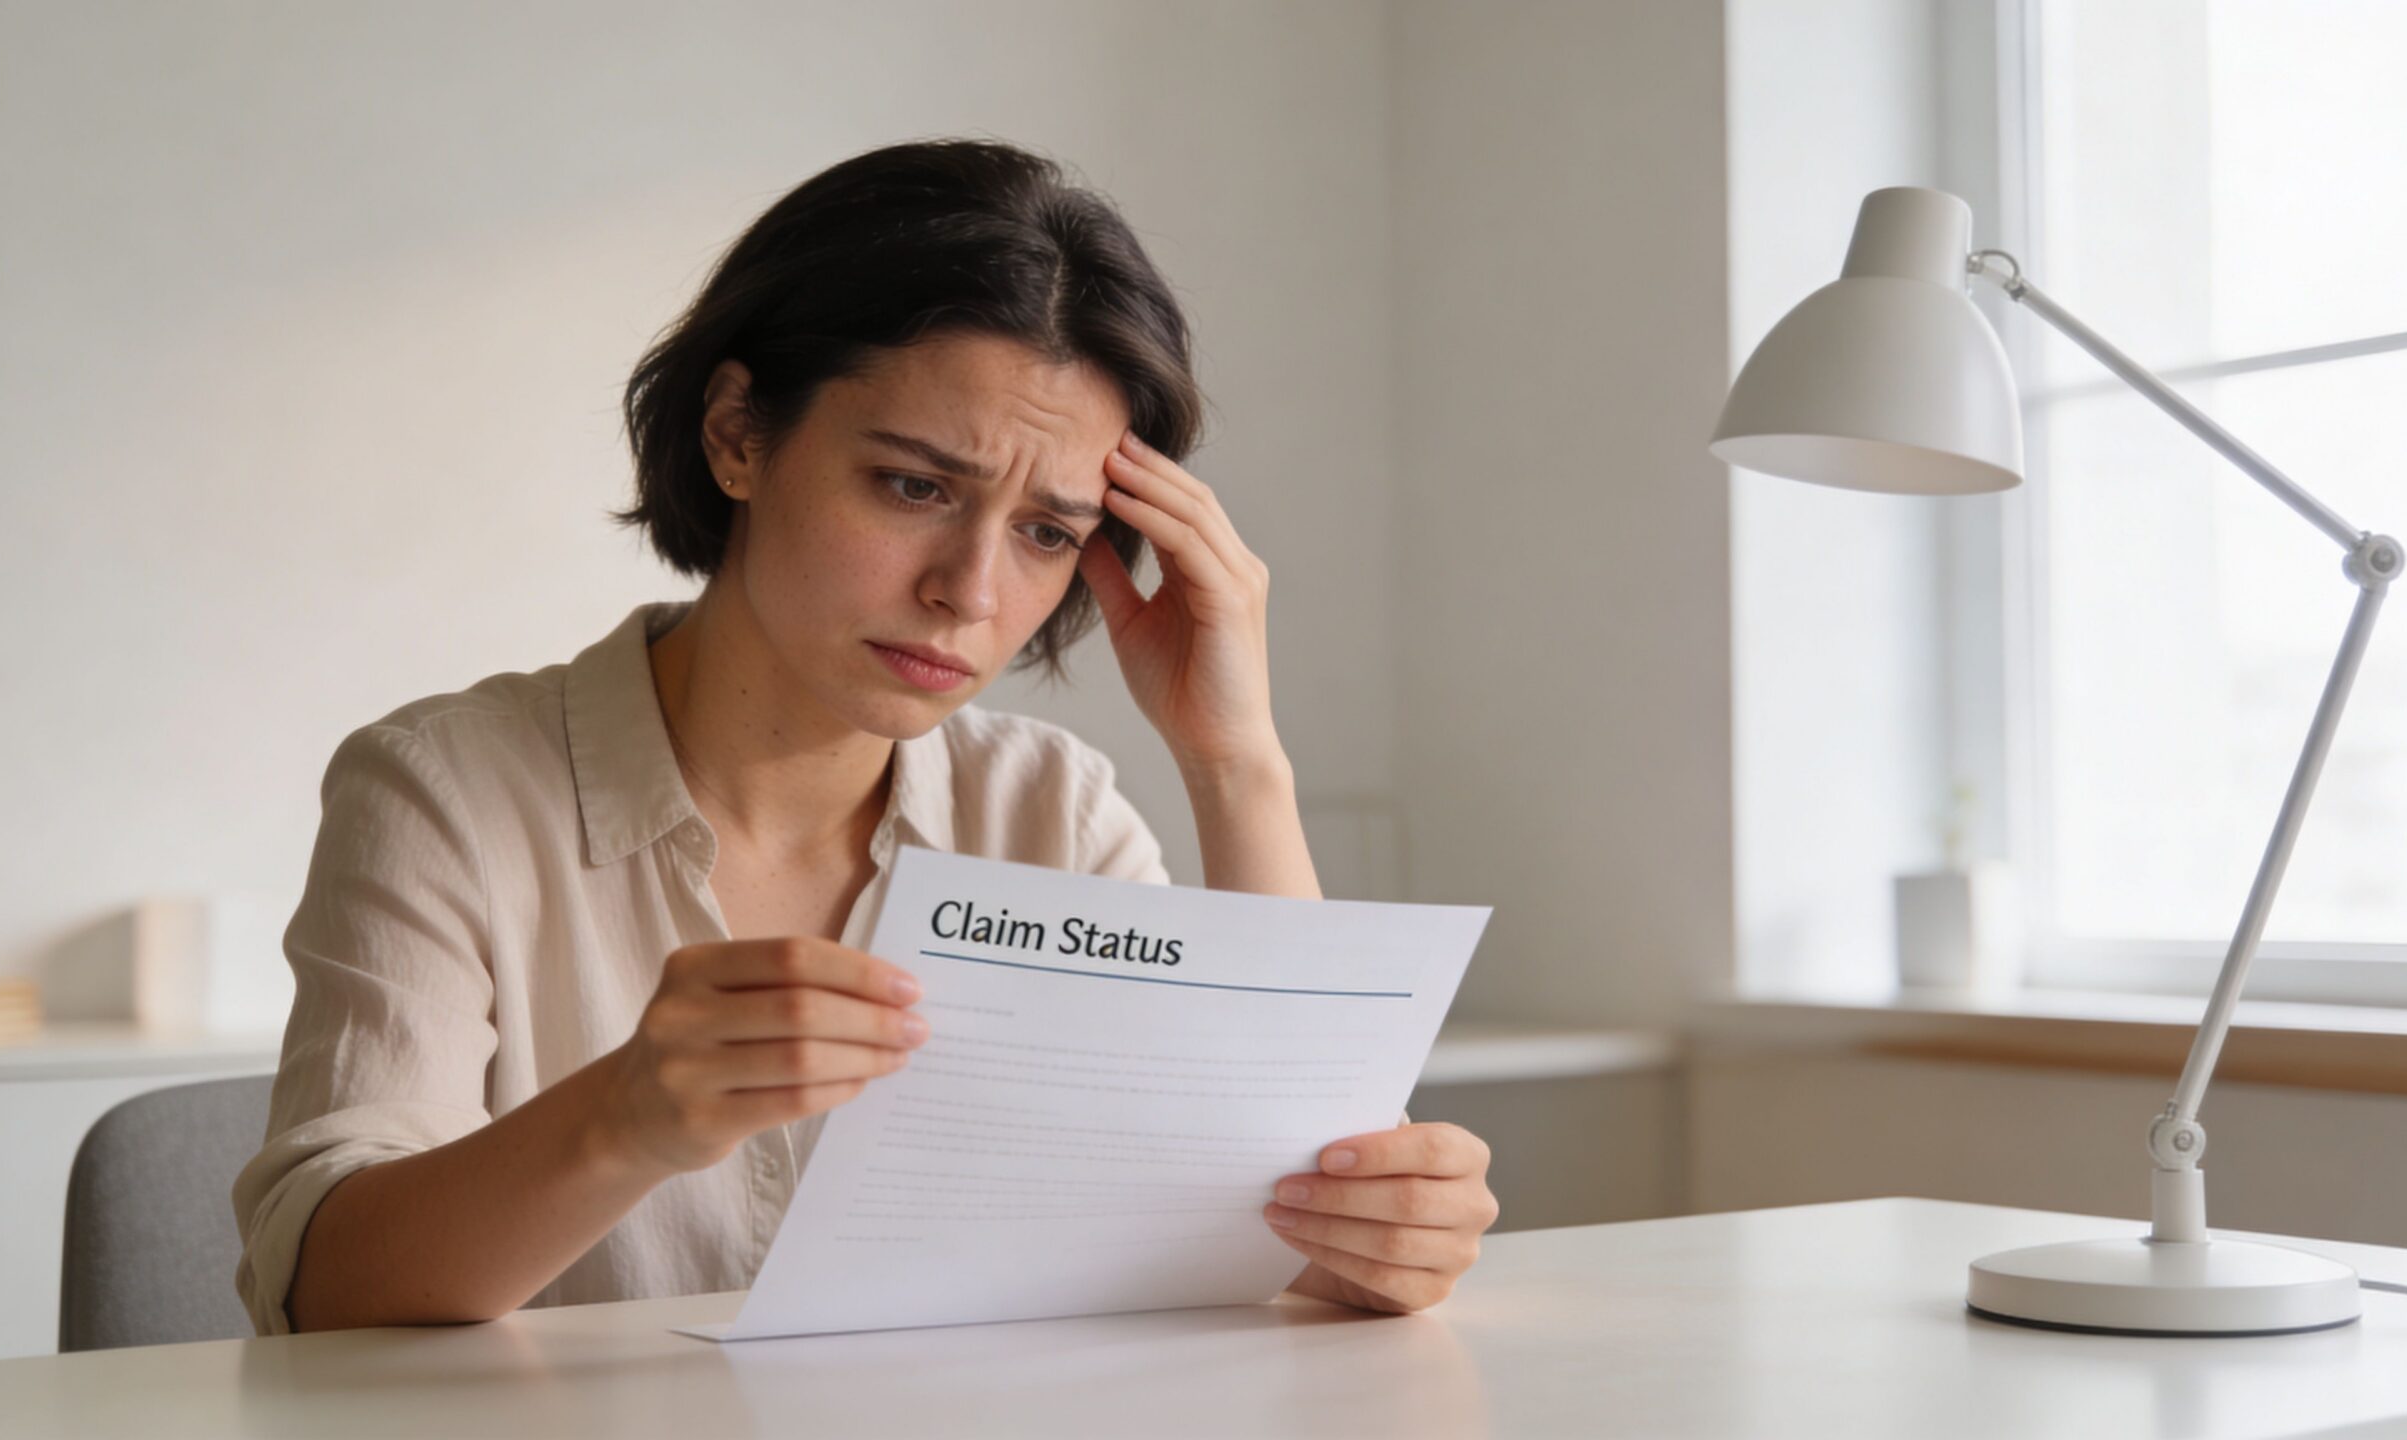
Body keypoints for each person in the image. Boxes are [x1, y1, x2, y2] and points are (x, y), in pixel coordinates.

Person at [232, 137, 1497, 1337]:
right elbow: (325, 1291)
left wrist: (1234, 759)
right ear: (737, 435)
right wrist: (623, 1116)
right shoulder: (445, 791)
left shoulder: (1054, 810)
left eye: (1048, 532)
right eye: (913, 486)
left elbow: (1285, 1223)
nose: (970, 589)